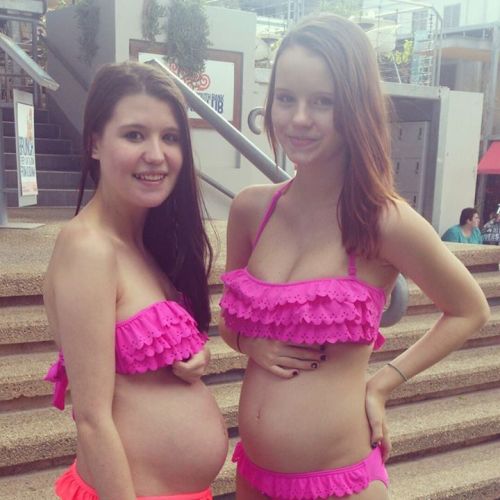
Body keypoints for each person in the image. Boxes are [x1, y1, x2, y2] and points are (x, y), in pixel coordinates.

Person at [218, 14, 489, 500]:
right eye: (286, 98)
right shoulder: (251, 210)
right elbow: (228, 323)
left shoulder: (383, 221)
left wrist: (383, 383)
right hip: (252, 476)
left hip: (339, 483)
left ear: (356, 107)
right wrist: (250, 345)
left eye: (324, 101)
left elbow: (470, 309)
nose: (300, 118)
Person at [43, 62, 228, 500]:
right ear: (94, 143)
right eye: (134, 135)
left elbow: (136, 356)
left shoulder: (147, 246)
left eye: (170, 137)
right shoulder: (89, 248)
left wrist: (192, 357)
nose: (156, 154)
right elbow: (91, 418)